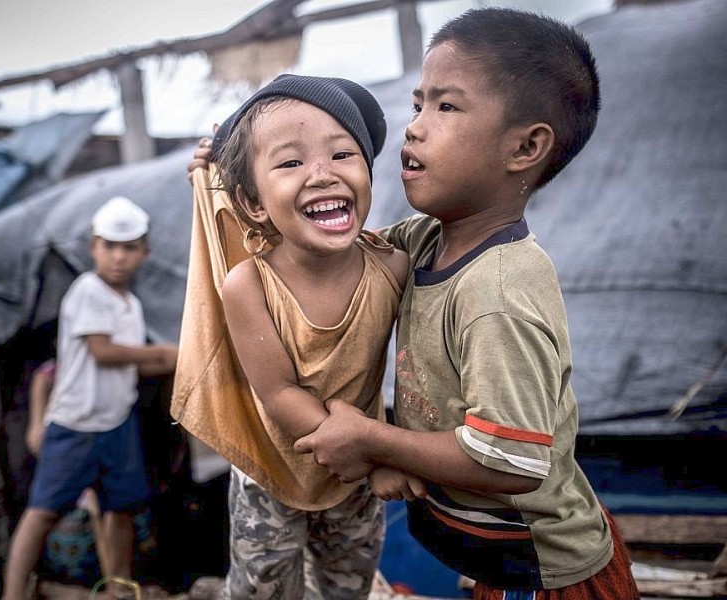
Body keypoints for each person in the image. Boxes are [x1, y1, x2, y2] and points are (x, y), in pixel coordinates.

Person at [191, 8, 639, 599]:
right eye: (418, 104)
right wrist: (222, 183)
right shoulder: (423, 241)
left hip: (546, 570)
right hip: (496, 562)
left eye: (446, 107)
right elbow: (305, 251)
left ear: (526, 146)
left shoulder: (496, 292)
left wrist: (374, 442)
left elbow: (509, 460)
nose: (414, 129)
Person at [186, 74, 422, 600]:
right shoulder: (249, 283)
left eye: (342, 155)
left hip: (355, 479)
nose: (321, 174)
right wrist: (373, 458)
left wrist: (381, 455)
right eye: (290, 163)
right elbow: (279, 393)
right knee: (260, 588)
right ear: (254, 203)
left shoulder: (392, 266)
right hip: (270, 469)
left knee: (347, 585)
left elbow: (419, 364)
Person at [3, 195, 179, 599]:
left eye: (130, 247)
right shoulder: (87, 290)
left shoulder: (131, 304)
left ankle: (118, 588)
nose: (119, 257)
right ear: (92, 248)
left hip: (116, 423)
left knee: (119, 509)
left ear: (145, 252)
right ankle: (13, 593)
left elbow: (131, 365)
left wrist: (177, 362)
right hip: (75, 425)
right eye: (110, 246)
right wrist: (165, 353)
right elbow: (104, 351)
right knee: (43, 511)